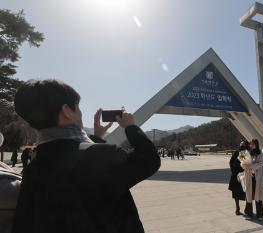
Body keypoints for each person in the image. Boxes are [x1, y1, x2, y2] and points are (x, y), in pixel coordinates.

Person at [12, 79, 160, 233]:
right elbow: (149, 159)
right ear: (67, 112)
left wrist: (96, 138)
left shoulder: (33, 168)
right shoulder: (101, 156)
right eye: (78, 108)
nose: (81, 113)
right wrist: (130, 126)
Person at [240, 139, 263, 220]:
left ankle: (260, 215)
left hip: (257, 177)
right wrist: (247, 167)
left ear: (256, 144)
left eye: (253, 144)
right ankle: (249, 213)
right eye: (251, 144)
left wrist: (250, 166)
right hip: (248, 176)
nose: (252, 145)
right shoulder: (244, 152)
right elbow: (242, 163)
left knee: (258, 196)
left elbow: (260, 163)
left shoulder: (260, 152)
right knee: (249, 195)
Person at [228, 140, 247, 215]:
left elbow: (243, 164)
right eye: (241, 144)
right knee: (236, 193)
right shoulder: (237, 152)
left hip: (243, 175)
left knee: (245, 193)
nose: (242, 145)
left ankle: (246, 209)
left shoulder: (245, 152)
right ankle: (237, 208)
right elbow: (231, 162)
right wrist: (233, 171)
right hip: (236, 175)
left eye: (243, 144)